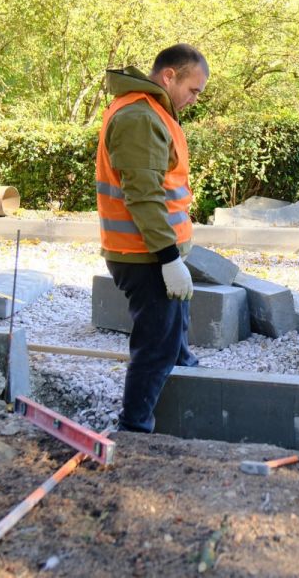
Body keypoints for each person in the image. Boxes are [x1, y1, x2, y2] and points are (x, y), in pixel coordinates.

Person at [95, 44, 209, 433]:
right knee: (156, 348)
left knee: (172, 342)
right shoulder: (141, 116)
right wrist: (168, 258)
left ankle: (185, 404)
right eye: (193, 90)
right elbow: (143, 195)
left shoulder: (152, 112)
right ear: (169, 76)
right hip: (145, 256)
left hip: (155, 254)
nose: (195, 100)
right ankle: (135, 431)